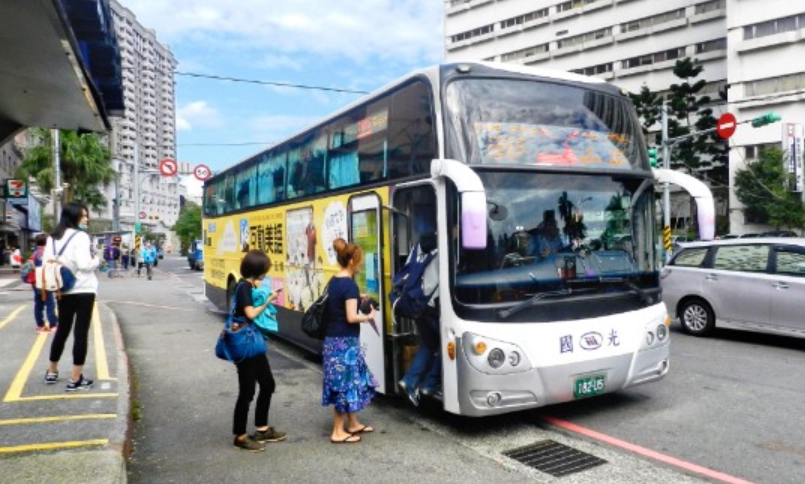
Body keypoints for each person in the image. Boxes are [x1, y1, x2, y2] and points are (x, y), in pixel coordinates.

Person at [322, 238, 377, 444]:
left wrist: (355, 298)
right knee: (344, 384)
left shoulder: (335, 281)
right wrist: (369, 317)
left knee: (349, 381)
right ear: (352, 262)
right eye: (360, 261)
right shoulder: (350, 286)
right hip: (344, 342)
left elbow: (338, 304)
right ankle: (338, 431)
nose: (362, 264)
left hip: (333, 340)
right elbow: (351, 317)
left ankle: (353, 423)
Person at [230, 250, 286, 452]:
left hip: (254, 344)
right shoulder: (243, 287)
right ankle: (240, 436)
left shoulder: (249, 286)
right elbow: (251, 314)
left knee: (268, 384)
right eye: (265, 268)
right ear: (257, 269)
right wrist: (268, 301)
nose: (266, 271)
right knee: (247, 391)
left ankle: (262, 429)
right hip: (245, 346)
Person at [44, 202, 100, 391]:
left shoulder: (52, 238)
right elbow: (85, 265)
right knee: (80, 333)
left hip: (62, 289)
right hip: (83, 289)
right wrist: (97, 260)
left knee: (62, 330)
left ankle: (52, 370)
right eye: (83, 216)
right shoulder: (81, 236)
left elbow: (46, 262)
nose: (87, 219)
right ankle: (75, 378)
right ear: (74, 217)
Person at [398, 232, 441, 406]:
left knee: (429, 343)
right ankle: (429, 385)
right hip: (433, 306)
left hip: (417, 305)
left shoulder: (417, 247)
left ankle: (409, 381)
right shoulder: (443, 249)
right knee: (447, 345)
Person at [29, 234, 58, 333]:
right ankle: (53, 325)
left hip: (35, 282)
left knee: (38, 304)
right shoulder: (44, 253)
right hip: (44, 281)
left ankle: (40, 325)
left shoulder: (35, 253)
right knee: (49, 303)